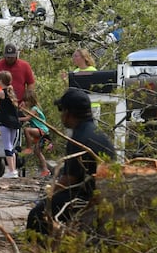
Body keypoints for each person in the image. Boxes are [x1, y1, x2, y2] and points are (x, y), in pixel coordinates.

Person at [27, 88, 116, 233]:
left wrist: (47, 195)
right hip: (104, 195)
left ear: (68, 113)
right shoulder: (98, 133)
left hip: (85, 199)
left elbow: (69, 181)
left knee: (37, 215)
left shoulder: (79, 139)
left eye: (62, 111)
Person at [0, 69, 22, 178]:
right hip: (14, 123)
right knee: (12, 146)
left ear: (1, 81)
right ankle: (14, 170)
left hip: (5, 122)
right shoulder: (12, 92)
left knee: (7, 147)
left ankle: (11, 171)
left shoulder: (1, 92)